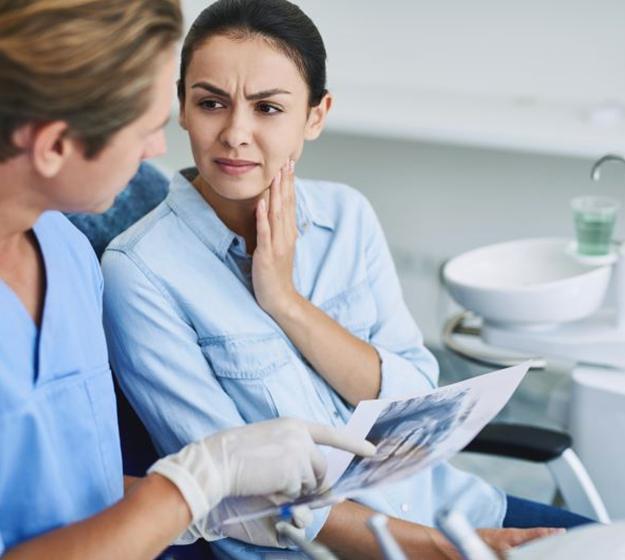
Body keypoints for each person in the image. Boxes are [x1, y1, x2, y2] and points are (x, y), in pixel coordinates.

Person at [101, 0, 591, 558]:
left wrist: (285, 301)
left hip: (449, 506)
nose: (235, 133)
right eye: (211, 103)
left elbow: (416, 400)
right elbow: (235, 494)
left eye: (267, 108)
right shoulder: (140, 272)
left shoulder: (347, 218)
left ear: (315, 115)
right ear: (183, 108)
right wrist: (445, 550)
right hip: (312, 548)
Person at [0, 1, 375, 558]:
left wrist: (209, 500)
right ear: (55, 145)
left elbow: (82, 492)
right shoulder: (131, 266)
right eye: (148, 126)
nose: (158, 150)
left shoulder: (67, 253)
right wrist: (196, 480)